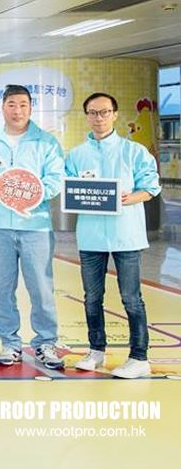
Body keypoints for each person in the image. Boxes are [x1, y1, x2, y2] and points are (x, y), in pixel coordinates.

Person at [0, 85, 66, 370]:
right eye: (12, 104)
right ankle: (9, 344)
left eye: (23, 104)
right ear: (3, 108)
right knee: (2, 287)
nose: (17, 110)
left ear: (30, 108)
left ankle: (45, 342)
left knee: (40, 287)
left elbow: (56, 178)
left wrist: (33, 194)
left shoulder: (46, 142)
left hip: (35, 225)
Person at [66, 92, 161, 379]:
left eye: (104, 112)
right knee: (92, 297)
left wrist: (125, 199)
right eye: (93, 113)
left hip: (126, 235)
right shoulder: (76, 154)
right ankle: (96, 351)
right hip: (91, 235)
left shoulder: (134, 152)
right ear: (86, 116)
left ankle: (139, 356)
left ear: (115, 115)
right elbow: (70, 188)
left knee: (131, 298)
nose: (99, 118)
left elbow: (151, 187)